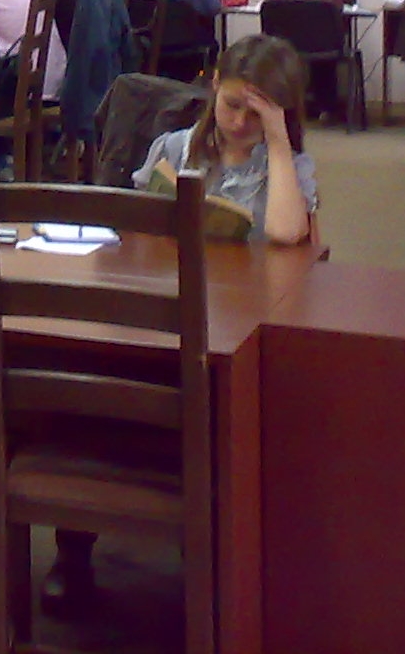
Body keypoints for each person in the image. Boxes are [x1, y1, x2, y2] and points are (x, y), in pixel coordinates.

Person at [44, 34, 318, 616]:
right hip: (161, 312)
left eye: (257, 114)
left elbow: (286, 233)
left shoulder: (288, 167)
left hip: (236, 328)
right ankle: (73, 546)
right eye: (232, 105)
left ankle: (208, 538)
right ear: (213, 87)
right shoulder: (173, 146)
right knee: (88, 385)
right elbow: (131, 229)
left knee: (203, 411)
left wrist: (276, 139)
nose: (238, 122)